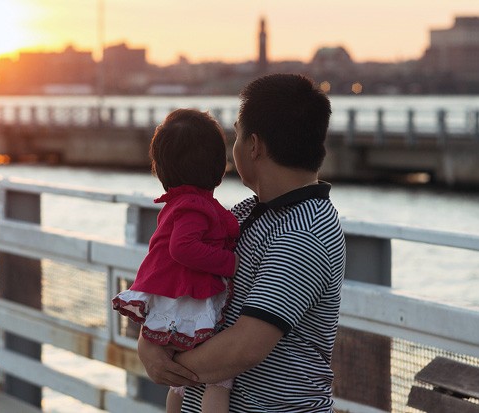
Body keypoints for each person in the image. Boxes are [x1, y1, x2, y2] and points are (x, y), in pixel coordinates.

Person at [137, 73, 346, 412]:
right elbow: (182, 281)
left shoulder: (307, 231)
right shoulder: (247, 212)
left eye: (236, 134)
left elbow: (246, 346)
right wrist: (149, 344)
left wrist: (168, 362)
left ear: (254, 145)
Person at [112, 108, 240, 413]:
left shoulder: (180, 204)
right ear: (220, 168)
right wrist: (230, 263)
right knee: (221, 379)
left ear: (161, 170)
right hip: (189, 299)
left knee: (179, 381)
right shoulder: (195, 206)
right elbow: (183, 248)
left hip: (178, 298)